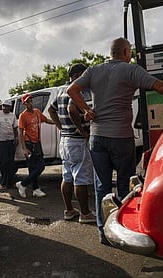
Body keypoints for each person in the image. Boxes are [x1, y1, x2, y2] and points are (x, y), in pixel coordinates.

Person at [67, 37, 163, 244]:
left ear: (111, 53)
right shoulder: (131, 70)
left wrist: (87, 110)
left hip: (97, 137)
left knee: (102, 186)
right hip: (120, 137)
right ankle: (123, 232)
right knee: (125, 185)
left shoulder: (93, 70)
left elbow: (71, 90)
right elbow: (162, 87)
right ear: (126, 52)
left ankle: (103, 232)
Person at [48, 63, 95, 223]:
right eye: (84, 74)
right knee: (80, 178)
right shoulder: (77, 90)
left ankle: (69, 210)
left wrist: (61, 128)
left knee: (67, 176)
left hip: (65, 140)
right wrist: (84, 132)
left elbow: (51, 110)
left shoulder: (61, 90)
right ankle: (85, 213)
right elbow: (72, 110)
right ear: (78, 74)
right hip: (77, 140)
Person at [16, 93, 54, 198]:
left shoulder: (37, 112)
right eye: (27, 102)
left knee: (40, 166)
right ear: (24, 104)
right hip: (29, 144)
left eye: (31, 101)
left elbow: (46, 120)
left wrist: (58, 123)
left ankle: (25, 185)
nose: (30, 103)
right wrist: (24, 148)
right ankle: (32, 187)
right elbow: (20, 132)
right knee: (33, 168)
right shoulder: (23, 116)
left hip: (37, 143)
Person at [0, 100, 18, 190]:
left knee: (11, 161)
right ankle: (3, 182)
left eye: (7, 106)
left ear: (10, 107)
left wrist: (16, 137)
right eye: (3, 106)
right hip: (1, 141)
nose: (5, 108)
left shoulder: (12, 115)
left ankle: (10, 182)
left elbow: (15, 128)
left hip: (11, 140)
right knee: (3, 161)